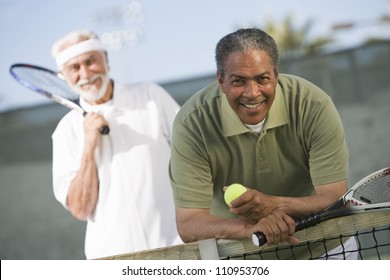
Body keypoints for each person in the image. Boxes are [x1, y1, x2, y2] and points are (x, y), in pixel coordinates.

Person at [169, 28, 357, 259]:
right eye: (239, 81)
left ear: (276, 74)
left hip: (327, 247)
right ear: (221, 80)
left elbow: (334, 199)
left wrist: (273, 205)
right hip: (243, 257)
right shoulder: (192, 124)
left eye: (262, 79)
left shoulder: (314, 105)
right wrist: (249, 228)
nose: (252, 93)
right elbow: (188, 224)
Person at [51, 29, 182, 259]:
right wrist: (89, 145)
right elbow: (80, 209)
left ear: (106, 59)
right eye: (74, 68)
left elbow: (194, 154)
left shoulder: (150, 95)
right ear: (64, 76)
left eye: (91, 61)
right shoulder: (65, 131)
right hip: (111, 258)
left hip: (175, 247)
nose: (85, 73)